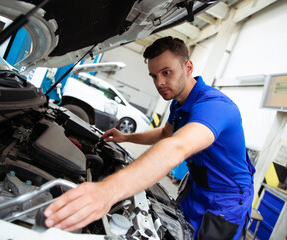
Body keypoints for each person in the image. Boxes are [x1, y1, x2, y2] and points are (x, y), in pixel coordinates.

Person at [44, 36, 255, 240]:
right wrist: (125, 137)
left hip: (226, 201)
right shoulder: (179, 103)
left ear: (188, 67)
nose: (160, 82)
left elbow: (177, 146)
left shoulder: (215, 106)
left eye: (166, 72)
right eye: (154, 76)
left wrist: (107, 191)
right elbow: (165, 133)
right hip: (197, 187)